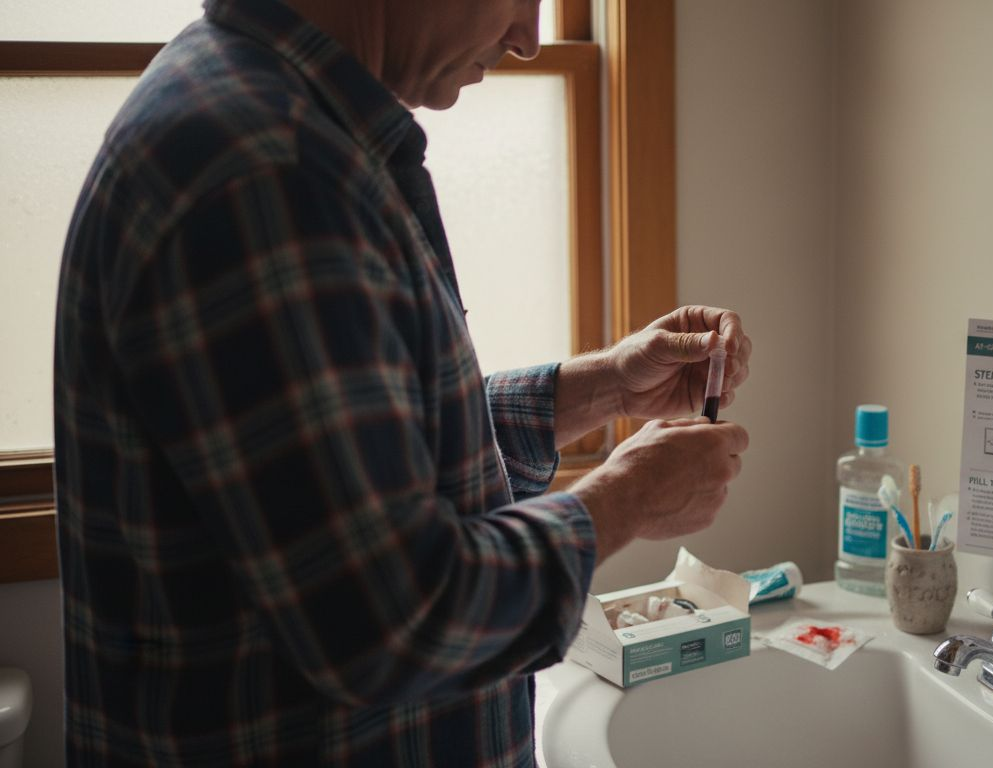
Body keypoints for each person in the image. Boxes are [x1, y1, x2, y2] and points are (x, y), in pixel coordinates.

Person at [53, 0, 751, 765]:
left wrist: (608, 389)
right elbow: (391, 619)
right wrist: (628, 498)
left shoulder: (264, 113)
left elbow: (357, 467)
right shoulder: (269, 172)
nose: (528, 38)